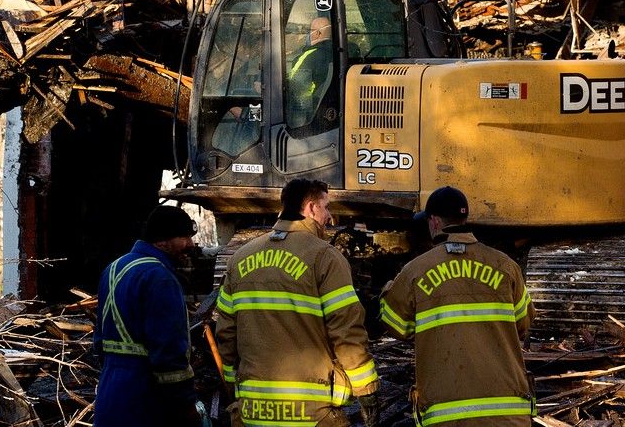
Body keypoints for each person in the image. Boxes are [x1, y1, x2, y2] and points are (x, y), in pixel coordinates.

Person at [216, 178, 380, 427]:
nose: (329, 217)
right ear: (312, 208)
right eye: (326, 208)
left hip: (253, 412)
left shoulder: (240, 258)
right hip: (313, 412)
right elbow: (346, 331)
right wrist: (366, 390)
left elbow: (226, 333)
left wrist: (232, 383)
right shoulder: (324, 258)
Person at [379, 185, 536, 426]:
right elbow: (523, 323)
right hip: (508, 413)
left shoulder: (416, 271)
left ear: (433, 222)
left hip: (446, 416)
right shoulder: (505, 266)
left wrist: (389, 289)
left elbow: (396, 326)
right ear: (464, 218)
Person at [93, 205, 204, 427]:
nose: (191, 244)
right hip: (146, 401)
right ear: (161, 240)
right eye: (184, 237)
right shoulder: (159, 277)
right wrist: (186, 406)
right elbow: (169, 355)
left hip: (110, 397)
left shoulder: (113, 268)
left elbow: (99, 343)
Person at [286, 16, 335, 128]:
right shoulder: (337, 54)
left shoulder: (308, 57)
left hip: (307, 116)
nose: (308, 34)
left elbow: (295, 89)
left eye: (310, 31)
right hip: (325, 111)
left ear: (317, 34)